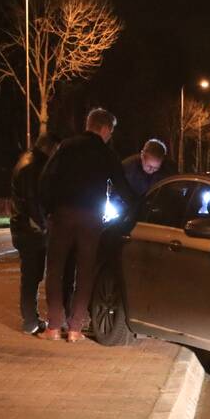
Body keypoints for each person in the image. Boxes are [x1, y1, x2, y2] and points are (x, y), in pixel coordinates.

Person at [38, 107, 133, 343]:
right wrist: (134, 211)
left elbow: (46, 179)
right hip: (91, 219)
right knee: (86, 272)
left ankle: (53, 327)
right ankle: (75, 329)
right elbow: (121, 187)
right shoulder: (106, 153)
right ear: (104, 129)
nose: (110, 135)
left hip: (63, 215)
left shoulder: (66, 147)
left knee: (56, 270)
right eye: (110, 131)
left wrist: (49, 211)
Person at [10, 132, 71, 334]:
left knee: (32, 275)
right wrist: (45, 225)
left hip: (26, 229)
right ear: (49, 148)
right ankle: (30, 322)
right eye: (56, 150)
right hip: (29, 231)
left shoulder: (29, 162)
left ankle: (31, 320)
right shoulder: (32, 166)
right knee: (31, 276)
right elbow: (32, 201)